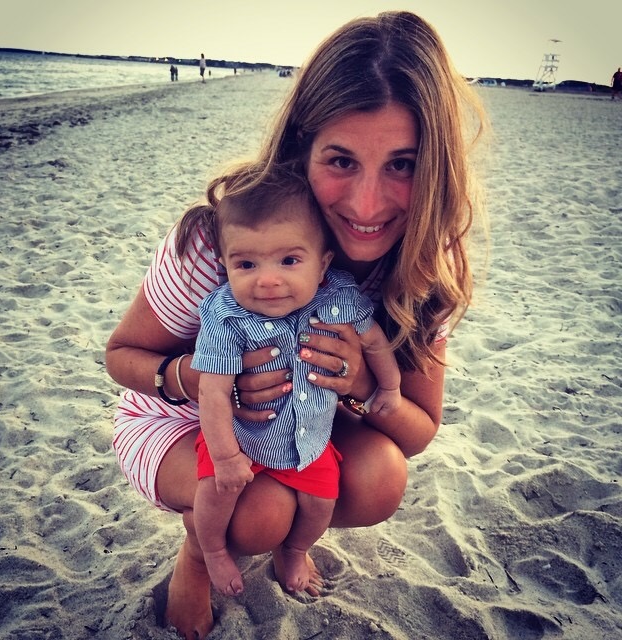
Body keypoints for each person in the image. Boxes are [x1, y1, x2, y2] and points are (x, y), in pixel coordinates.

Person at [105, 10, 487, 640]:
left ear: (438, 167)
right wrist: (197, 378)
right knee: (255, 513)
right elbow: (122, 355)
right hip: (180, 418)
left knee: (379, 478)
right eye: (341, 160)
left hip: (305, 423)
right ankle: (198, 553)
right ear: (301, 148)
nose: (366, 204)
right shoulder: (226, 240)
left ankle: (291, 544)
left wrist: (360, 382)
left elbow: (417, 431)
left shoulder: (423, 269)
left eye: (402, 164)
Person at [192, 171, 401, 597]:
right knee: (215, 492)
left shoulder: (339, 299)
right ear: (225, 265)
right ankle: (209, 551)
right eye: (246, 264)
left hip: (309, 440)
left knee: (321, 502)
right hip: (242, 438)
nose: (267, 280)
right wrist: (226, 457)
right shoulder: (227, 316)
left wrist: (390, 387)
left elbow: (375, 342)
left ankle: (294, 550)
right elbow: (212, 392)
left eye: (289, 261)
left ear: (322, 264)